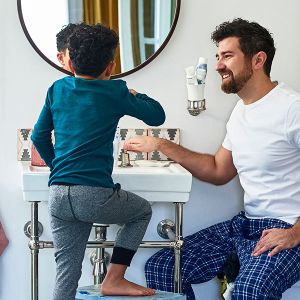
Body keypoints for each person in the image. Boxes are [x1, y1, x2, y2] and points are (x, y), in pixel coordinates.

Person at [124, 18, 300, 299]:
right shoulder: (242, 112)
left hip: (288, 229)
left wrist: (295, 234)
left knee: (249, 291)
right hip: (246, 225)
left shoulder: (292, 108)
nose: (218, 65)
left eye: (227, 56)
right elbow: (219, 170)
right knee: (164, 266)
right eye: (218, 56)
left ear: (258, 60)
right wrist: (162, 145)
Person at [31, 23, 165, 300]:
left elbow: (39, 137)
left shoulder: (56, 89)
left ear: (69, 60)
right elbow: (157, 116)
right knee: (140, 212)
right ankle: (114, 279)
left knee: (66, 272)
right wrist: (133, 92)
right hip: (94, 195)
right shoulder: (115, 92)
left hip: (58, 194)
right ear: (111, 65)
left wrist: (59, 169)